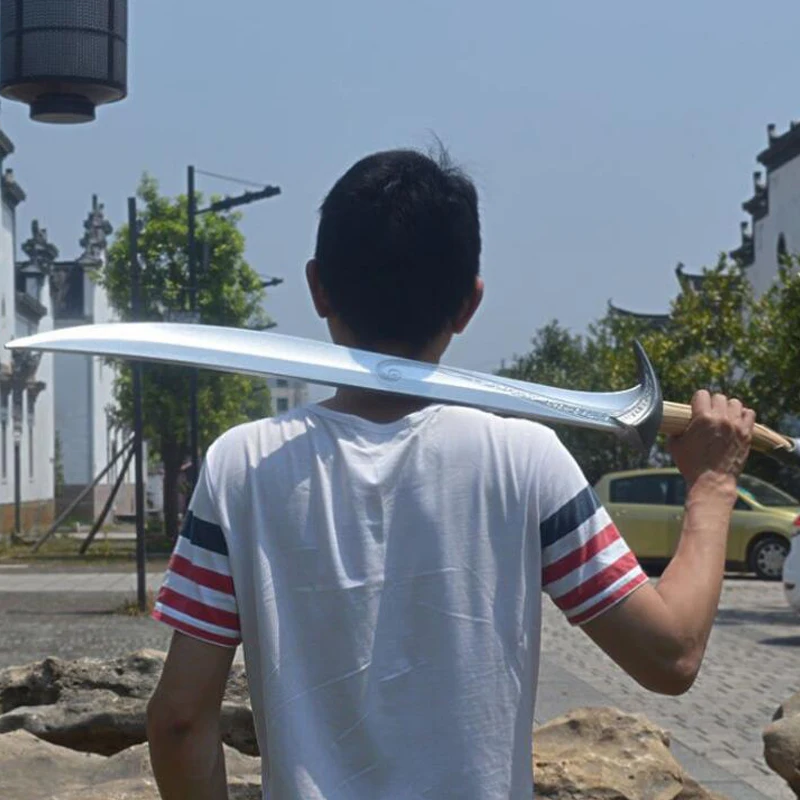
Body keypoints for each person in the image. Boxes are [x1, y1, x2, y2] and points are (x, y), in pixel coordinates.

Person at [145, 148, 755, 799]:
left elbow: (180, 721)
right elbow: (670, 655)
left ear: (317, 286)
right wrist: (714, 487)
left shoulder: (243, 466)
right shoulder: (526, 461)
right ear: (469, 304)